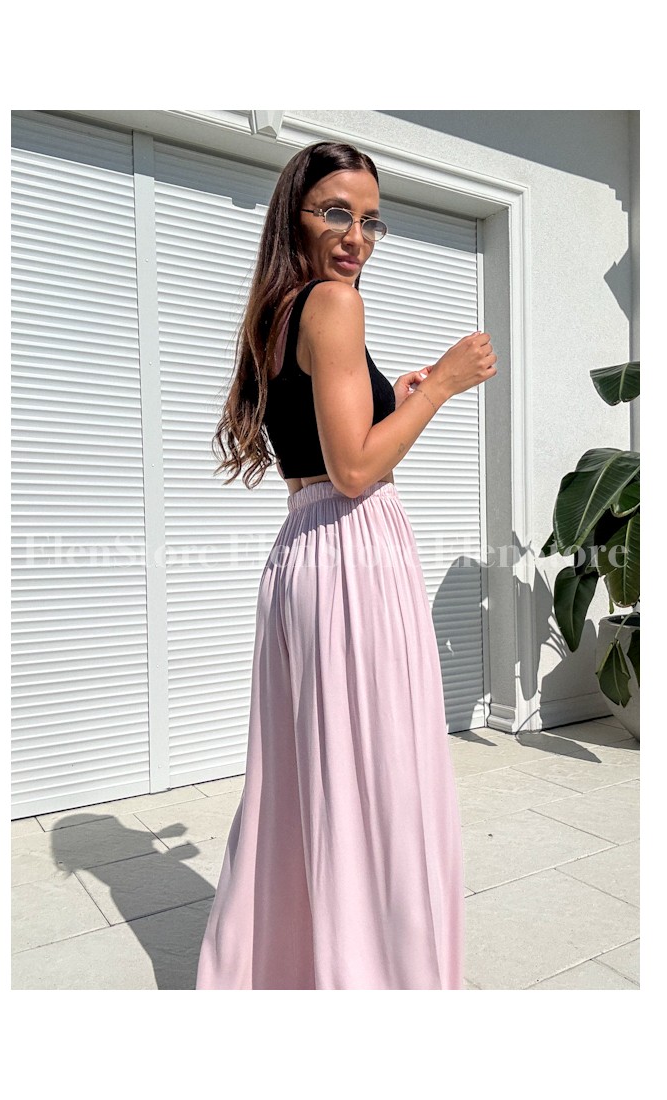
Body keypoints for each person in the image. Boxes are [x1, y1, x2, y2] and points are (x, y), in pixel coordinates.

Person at [197, 141, 497, 990]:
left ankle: (296, 971)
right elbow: (357, 469)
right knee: (378, 779)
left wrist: (396, 399)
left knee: (312, 783)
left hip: (308, 548)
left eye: (370, 220)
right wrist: (444, 385)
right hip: (351, 550)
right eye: (336, 212)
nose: (355, 236)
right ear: (295, 215)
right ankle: (376, 981)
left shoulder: (279, 310)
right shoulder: (332, 303)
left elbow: (332, 444)